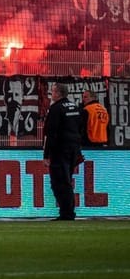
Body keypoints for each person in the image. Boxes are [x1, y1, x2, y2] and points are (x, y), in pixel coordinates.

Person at [43, 83, 82, 221]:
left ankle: (66, 213)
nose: (51, 94)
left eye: (52, 91)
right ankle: (69, 211)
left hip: (60, 150)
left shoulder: (55, 109)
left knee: (59, 182)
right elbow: (79, 128)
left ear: (58, 93)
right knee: (67, 180)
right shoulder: (75, 107)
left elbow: (50, 133)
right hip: (73, 149)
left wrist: (46, 155)